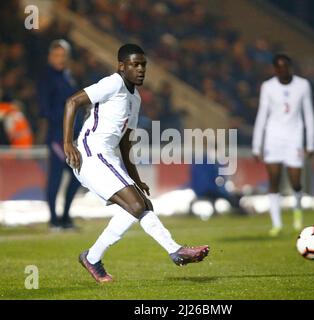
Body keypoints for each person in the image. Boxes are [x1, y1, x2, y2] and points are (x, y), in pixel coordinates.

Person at [63, 44, 209, 283]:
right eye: (135, 64)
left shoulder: (135, 98)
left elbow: (125, 144)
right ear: (122, 66)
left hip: (107, 158)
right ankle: (175, 250)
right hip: (91, 154)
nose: (141, 69)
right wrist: (68, 143)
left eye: (143, 65)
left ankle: (92, 256)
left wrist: (136, 179)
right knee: (136, 205)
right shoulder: (113, 83)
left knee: (141, 205)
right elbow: (72, 102)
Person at [252, 54, 314, 236]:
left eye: (285, 66)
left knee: (296, 181)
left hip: (294, 138)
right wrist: (257, 146)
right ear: (274, 69)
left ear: (291, 67)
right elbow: (262, 115)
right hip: (273, 138)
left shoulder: (303, 85)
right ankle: (277, 224)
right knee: (274, 181)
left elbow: (308, 114)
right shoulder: (268, 87)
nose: (282, 70)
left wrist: (310, 144)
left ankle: (297, 213)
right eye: (278, 67)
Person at [37, 39, 83, 230]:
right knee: (56, 176)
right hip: (57, 136)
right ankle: (54, 219)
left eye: (63, 55)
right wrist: (60, 122)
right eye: (56, 55)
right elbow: (44, 108)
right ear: (50, 57)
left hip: (72, 136)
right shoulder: (46, 78)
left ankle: (64, 216)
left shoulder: (69, 76)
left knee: (77, 175)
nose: (60, 59)